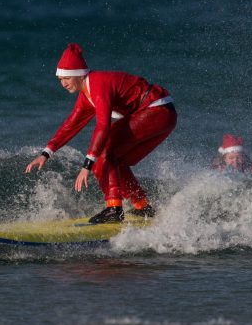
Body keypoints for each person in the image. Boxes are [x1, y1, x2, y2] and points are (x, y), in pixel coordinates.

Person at [25, 43, 177, 223]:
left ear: (79, 74)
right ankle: (143, 207)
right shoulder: (86, 94)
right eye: (60, 79)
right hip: (162, 114)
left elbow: (103, 125)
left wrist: (86, 165)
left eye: (66, 78)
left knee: (105, 154)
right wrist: (46, 153)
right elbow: (72, 124)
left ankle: (114, 209)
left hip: (156, 110)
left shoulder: (97, 83)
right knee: (114, 160)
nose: (63, 84)